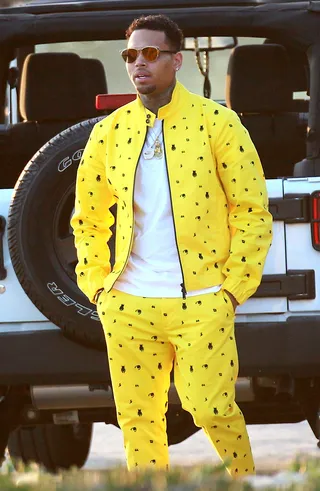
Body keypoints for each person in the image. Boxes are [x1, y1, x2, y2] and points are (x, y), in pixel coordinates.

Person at [71, 14, 273, 477]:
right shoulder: (110, 131)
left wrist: (233, 289)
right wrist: (98, 285)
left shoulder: (218, 123)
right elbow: (89, 215)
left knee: (212, 410)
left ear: (177, 60)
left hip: (203, 300)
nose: (138, 63)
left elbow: (251, 208)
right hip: (128, 303)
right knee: (138, 421)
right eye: (130, 55)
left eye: (150, 53)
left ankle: (243, 483)